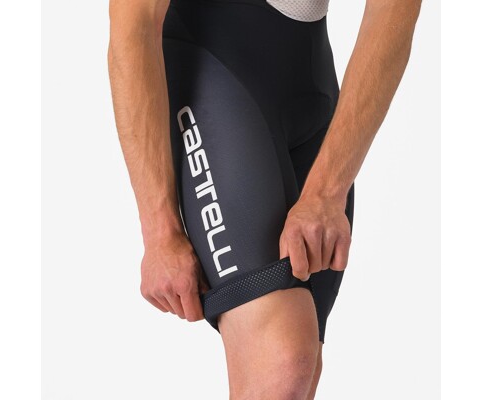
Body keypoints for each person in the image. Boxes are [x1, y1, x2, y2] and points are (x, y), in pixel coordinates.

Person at [107, 0, 421, 398]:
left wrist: (327, 192)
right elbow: (133, 23)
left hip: (312, 80)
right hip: (216, 68)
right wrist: (160, 232)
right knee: (282, 363)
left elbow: (394, 10)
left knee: (299, 371)